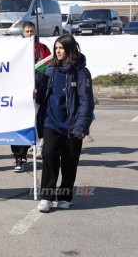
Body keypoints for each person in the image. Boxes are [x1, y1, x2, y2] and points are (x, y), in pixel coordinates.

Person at [37, 34, 95, 212]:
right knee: (49, 156)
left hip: (72, 125)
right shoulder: (50, 71)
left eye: (61, 48)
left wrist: (81, 126)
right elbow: (41, 96)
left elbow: (87, 102)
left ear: (70, 50)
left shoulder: (82, 73)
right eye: (56, 48)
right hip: (51, 122)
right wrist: (34, 92)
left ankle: (65, 196)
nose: (58, 51)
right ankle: (47, 196)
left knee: (69, 162)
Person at [11, 21, 51, 172]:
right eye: (27, 31)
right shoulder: (15, 48)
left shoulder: (42, 49)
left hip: (37, 93)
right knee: (17, 125)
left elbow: (48, 69)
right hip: (18, 94)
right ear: (23, 33)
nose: (29, 34)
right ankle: (17, 153)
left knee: (33, 124)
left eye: (32, 31)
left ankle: (23, 156)